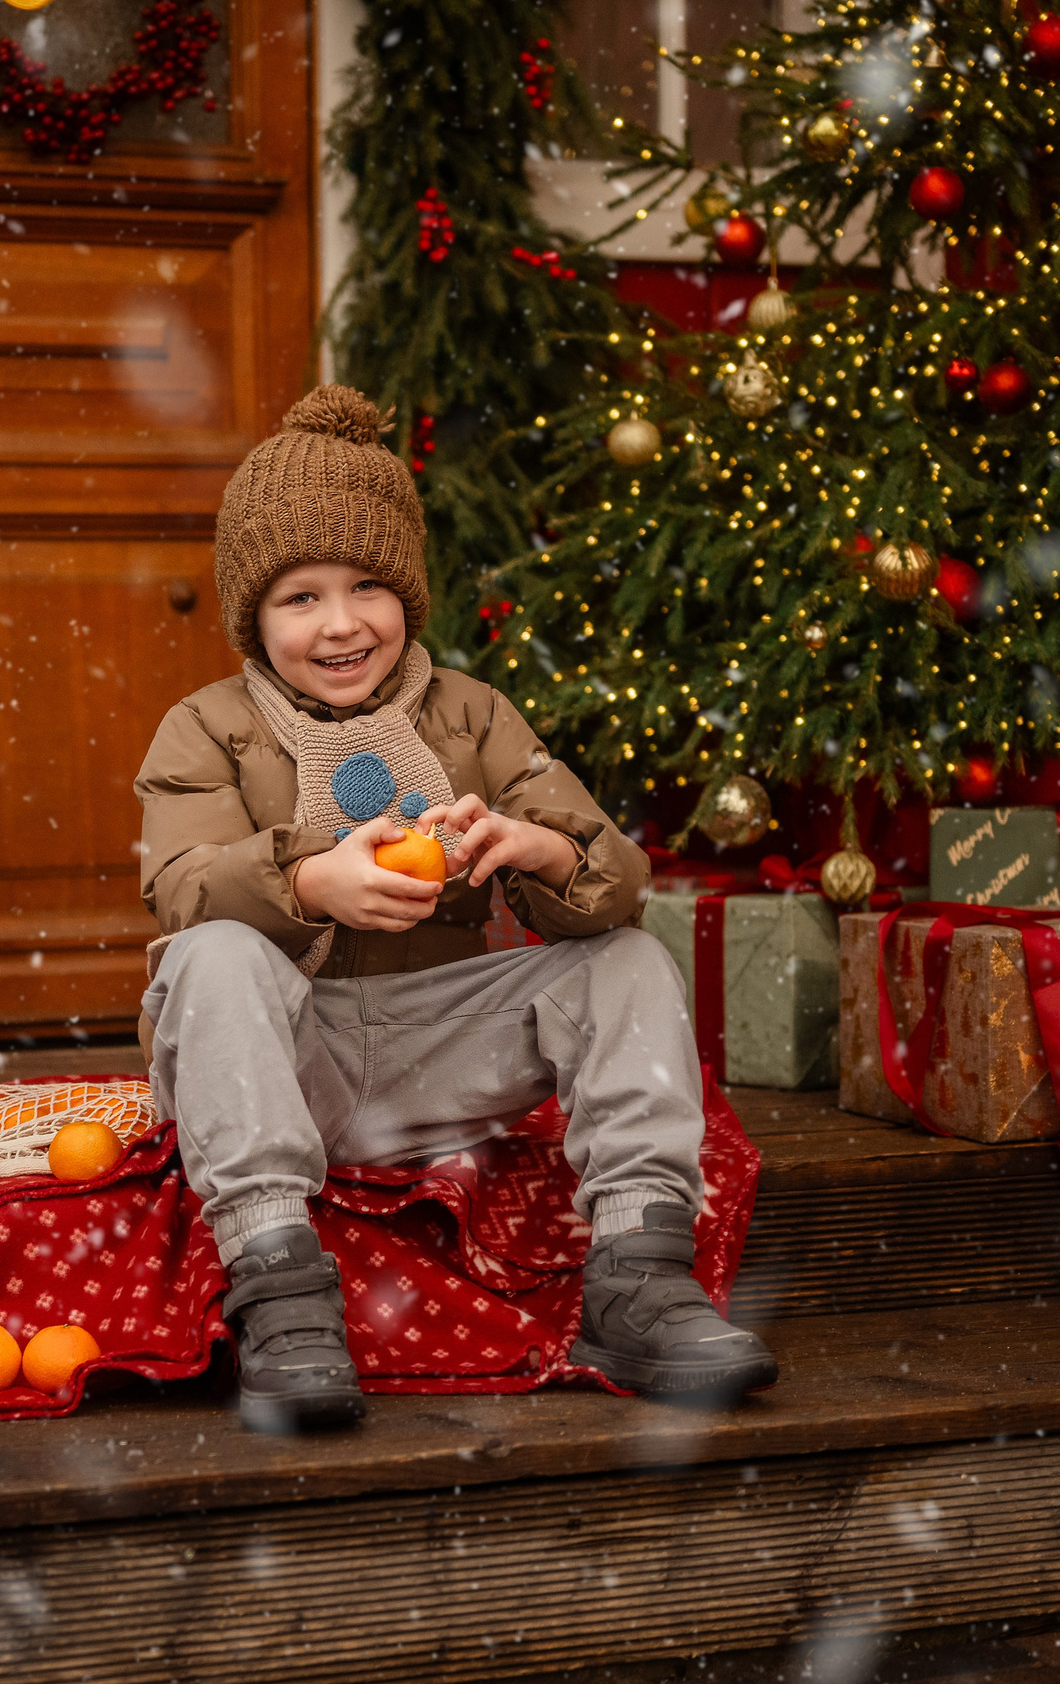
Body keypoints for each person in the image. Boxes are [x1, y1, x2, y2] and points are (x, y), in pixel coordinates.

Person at [134, 385, 778, 1434]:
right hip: (286, 1054)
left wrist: (535, 848)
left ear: (409, 594)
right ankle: (282, 1290)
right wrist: (307, 881)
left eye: (367, 588)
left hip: (443, 1047)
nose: (340, 623)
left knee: (623, 956)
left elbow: (614, 871)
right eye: (299, 596)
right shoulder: (204, 727)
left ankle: (639, 1276)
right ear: (252, 612)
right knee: (208, 953)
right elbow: (180, 880)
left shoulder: (471, 711)